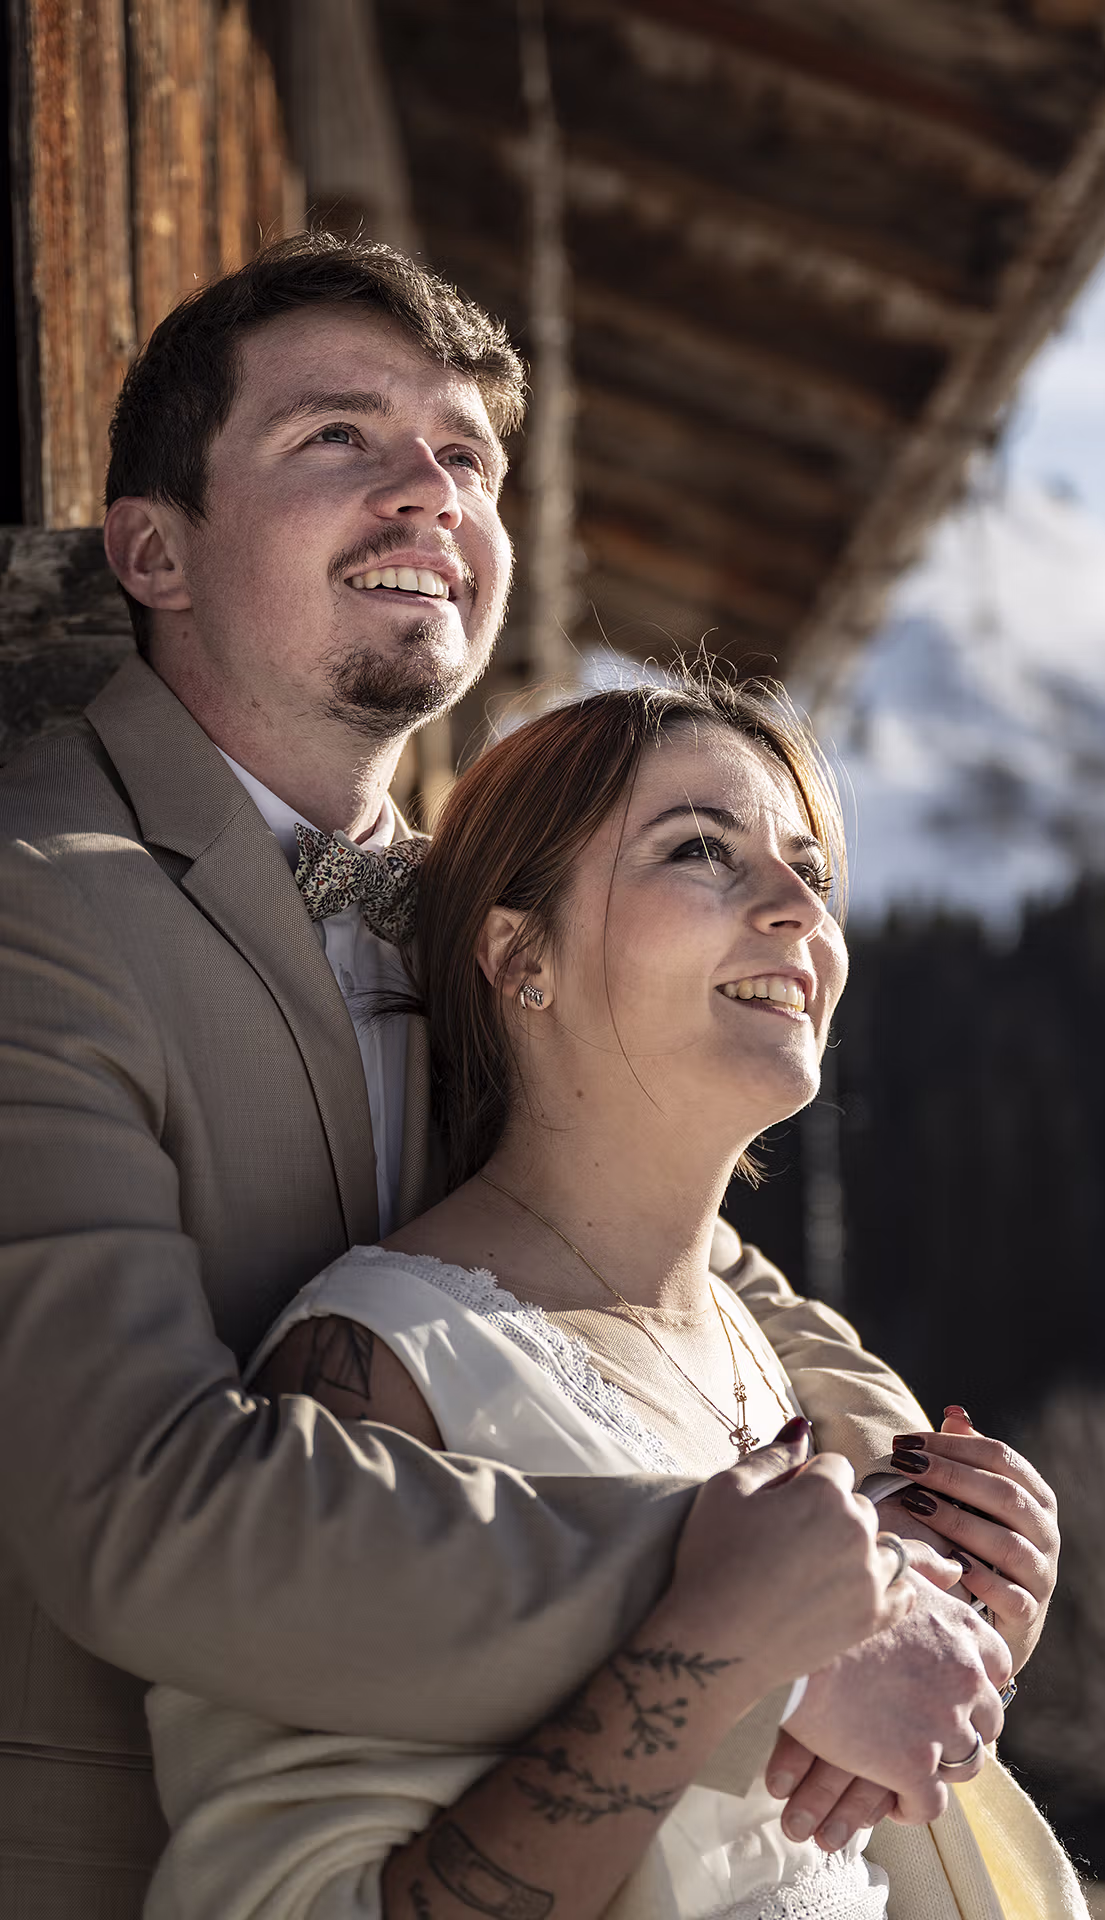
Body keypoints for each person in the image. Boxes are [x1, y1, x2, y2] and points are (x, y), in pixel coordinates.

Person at [0, 232, 1000, 1920]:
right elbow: (134, 1511)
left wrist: (924, 1519)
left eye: (465, 456)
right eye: (340, 440)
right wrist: (753, 1626)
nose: (428, 495)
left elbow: (676, 1253)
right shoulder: (37, 901)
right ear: (152, 550)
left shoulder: (474, 916)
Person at [141, 674, 1079, 1920]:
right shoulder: (381, 1371)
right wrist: (717, 1662)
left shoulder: (766, 1357)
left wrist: (960, 1631)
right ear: (517, 953)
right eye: (701, 850)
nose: (800, 908)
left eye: (810, 869)